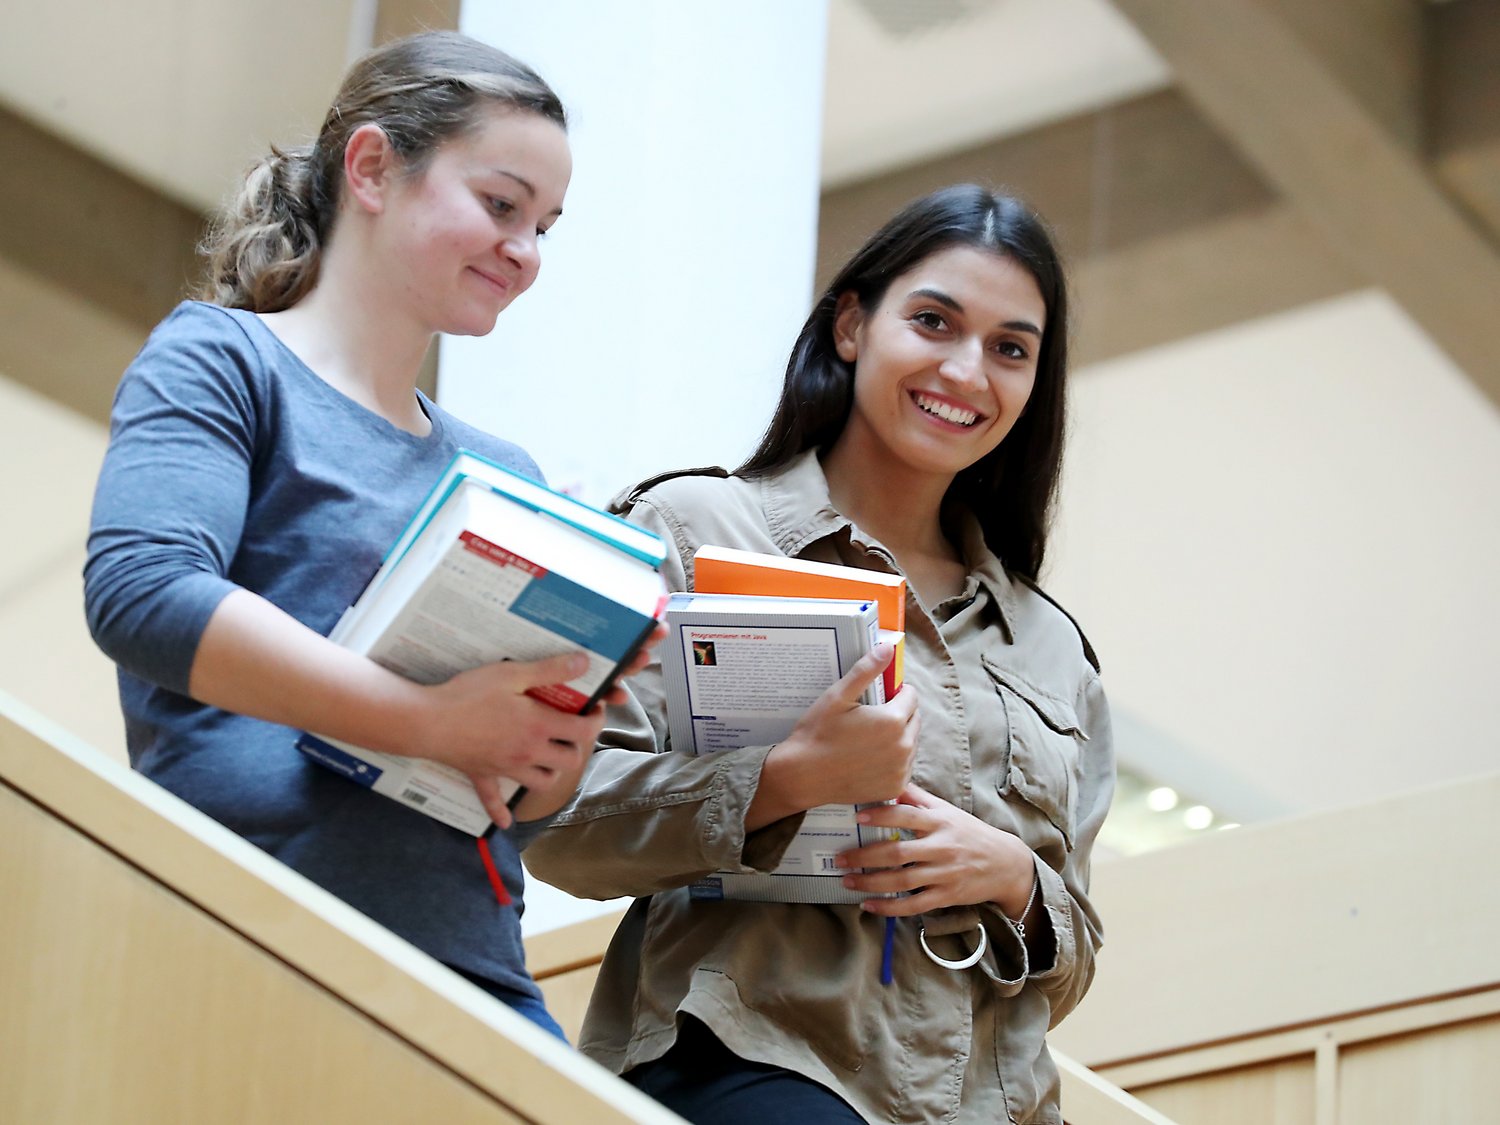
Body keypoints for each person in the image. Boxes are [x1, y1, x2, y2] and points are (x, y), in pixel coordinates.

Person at [524, 184, 1114, 1121]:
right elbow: (554, 819)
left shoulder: (1054, 649)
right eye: (933, 321)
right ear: (850, 326)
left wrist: (1009, 875)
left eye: (1011, 348)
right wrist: (783, 780)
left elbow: (1071, 948)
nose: (967, 370)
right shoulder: (692, 528)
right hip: (752, 1060)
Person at [84, 31, 623, 1039]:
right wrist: (429, 723)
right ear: (371, 167)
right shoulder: (224, 358)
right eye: (502, 206)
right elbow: (145, 595)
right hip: (250, 929)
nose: (527, 251)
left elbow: (528, 805)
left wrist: (556, 737)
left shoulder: (507, 478)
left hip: (474, 972)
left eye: (546, 225)